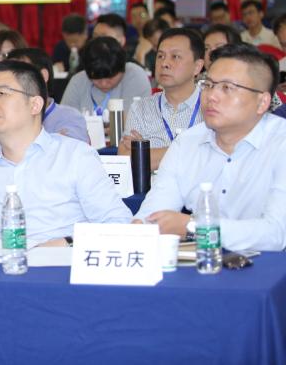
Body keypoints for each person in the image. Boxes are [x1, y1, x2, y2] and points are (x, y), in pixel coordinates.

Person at [0, 60, 132, 246]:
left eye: (1, 94)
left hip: (62, 261)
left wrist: (68, 243)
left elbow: (119, 224)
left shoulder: (75, 156)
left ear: (35, 105)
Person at [135, 43, 286, 252]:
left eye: (227, 88)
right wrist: (139, 229)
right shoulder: (187, 143)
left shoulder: (281, 143)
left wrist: (195, 227)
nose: (211, 96)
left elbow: (276, 233)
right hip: (202, 263)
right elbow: (153, 213)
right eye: (208, 84)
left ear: (262, 102)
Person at [119, 28, 205, 169]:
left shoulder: (211, 106)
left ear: (197, 67)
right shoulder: (141, 108)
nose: (164, 63)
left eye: (175, 56)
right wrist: (192, 150)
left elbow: (216, 156)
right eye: (160, 56)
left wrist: (144, 153)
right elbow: (125, 159)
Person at [0, 48, 89, 145]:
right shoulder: (0, 116)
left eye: (19, 73)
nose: (9, 79)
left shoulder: (69, 117)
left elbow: (69, 153)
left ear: (43, 76)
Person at [61, 36, 152, 117]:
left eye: (110, 78)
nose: (104, 84)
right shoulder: (79, 80)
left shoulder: (134, 75)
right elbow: (64, 120)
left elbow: (132, 122)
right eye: (97, 79)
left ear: (122, 68)